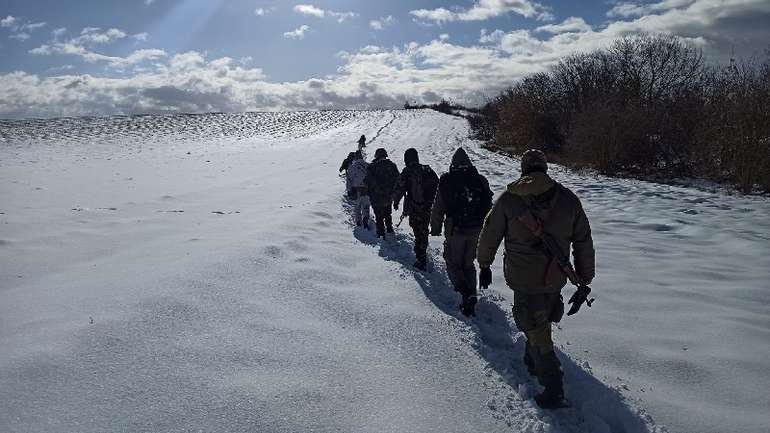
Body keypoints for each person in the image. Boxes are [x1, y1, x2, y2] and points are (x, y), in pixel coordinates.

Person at [476, 149, 595, 409]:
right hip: (555, 276)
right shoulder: (568, 199)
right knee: (539, 320)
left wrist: (484, 264)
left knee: (535, 326)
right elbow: (583, 240)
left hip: (522, 276)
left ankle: (553, 387)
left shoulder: (509, 199)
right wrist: (584, 277)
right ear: (545, 168)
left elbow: (490, 233)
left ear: (524, 169)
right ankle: (532, 360)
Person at [430, 147, 492, 317]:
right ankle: (471, 292)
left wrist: (435, 228)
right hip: (477, 230)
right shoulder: (480, 180)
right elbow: (489, 206)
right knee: (468, 263)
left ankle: (464, 292)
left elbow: (438, 208)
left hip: (455, 230)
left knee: (452, 262)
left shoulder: (447, 180)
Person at [393, 148, 439, 271]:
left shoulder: (407, 171)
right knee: (423, 229)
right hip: (427, 207)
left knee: (417, 230)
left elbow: (399, 189)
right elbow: (438, 186)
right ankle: (422, 250)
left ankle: (421, 257)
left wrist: (396, 201)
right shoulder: (427, 170)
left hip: (414, 206)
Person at [365, 148, 400, 239]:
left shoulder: (372, 167)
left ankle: (381, 233)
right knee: (388, 213)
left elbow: (366, 181)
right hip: (388, 196)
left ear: (376, 156)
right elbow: (398, 180)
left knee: (379, 216)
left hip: (376, 197)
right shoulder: (392, 165)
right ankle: (389, 229)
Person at [346, 151, 371, 229]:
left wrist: (349, 190)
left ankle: (358, 222)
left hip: (356, 190)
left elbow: (349, 180)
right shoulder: (368, 165)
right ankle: (365, 219)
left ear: (355, 157)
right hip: (367, 189)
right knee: (366, 206)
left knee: (357, 207)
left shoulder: (352, 167)